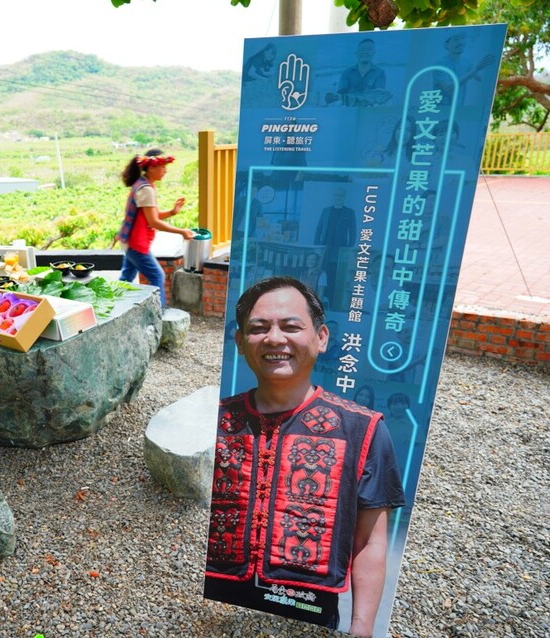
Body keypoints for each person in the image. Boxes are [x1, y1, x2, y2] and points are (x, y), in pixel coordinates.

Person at [204, 277, 405, 637]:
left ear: (321, 338)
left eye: (291, 327)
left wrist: (361, 628)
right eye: (258, 328)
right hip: (215, 606)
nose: (274, 339)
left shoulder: (362, 430)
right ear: (239, 341)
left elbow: (370, 541)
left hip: (307, 612)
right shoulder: (212, 419)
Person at [116, 149, 194, 307]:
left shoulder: (143, 184)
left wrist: (172, 212)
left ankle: (115, 306)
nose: (165, 171)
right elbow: (153, 221)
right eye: (163, 167)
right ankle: (159, 312)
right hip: (136, 243)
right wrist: (181, 232)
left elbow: (150, 215)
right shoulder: (146, 189)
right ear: (152, 167)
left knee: (126, 279)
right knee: (157, 276)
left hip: (130, 241)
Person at [331, 38, 391, 107]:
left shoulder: (380, 73)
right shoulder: (346, 73)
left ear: (374, 53)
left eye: (369, 49)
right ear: (357, 53)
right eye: (363, 49)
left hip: (370, 109)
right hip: (350, 107)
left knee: (388, 103)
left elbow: (379, 95)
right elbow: (341, 93)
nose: (365, 52)